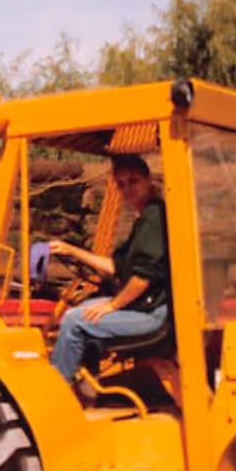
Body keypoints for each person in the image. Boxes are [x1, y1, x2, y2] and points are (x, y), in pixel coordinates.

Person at [47, 154, 170, 386]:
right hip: (149, 307)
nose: (127, 189)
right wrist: (72, 251)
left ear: (148, 180)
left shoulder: (154, 218)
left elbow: (142, 279)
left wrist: (112, 306)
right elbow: (115, 267)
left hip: (154, 315)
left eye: (133, 181)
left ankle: (58, 389)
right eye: (121, 184)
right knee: (83, 308)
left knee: (74, 320)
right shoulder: (145, 218)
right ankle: (88, 387)